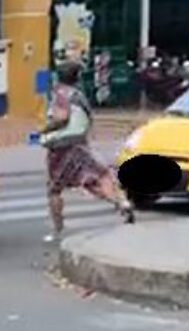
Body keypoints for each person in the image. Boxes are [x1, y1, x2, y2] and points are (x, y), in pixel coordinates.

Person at [40, 61, 134, 243]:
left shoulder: (61, 94)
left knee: (54, 190)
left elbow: (61, 118)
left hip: (61, 147)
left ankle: (57, 230)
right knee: (96, 178)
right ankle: (121, 203)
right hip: (80, 144)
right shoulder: (80, 96)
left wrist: (45, 130)